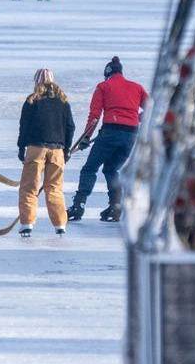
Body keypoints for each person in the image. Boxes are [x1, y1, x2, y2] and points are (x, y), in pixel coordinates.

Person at [69, 57, 148, 223]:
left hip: (110, 132)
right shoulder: (137, 87)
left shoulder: (103, 86)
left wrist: (86, 138)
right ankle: (116, 206)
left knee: (90, 168)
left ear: (107, 73)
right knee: (112, 170)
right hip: (131, 135)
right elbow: (152, 108)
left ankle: (78, 205)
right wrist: (135, 117)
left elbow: (94, 116)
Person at [15, 69, 77, 237]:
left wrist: (21, 148)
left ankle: (27, 223)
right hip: (57, 150)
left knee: (29, 188)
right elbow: (70, 127)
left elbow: (24, 126)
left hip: (36, 149)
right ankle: (60, 225)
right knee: (55, 188)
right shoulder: (63, 101)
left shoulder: (32, 100)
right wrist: (66, 149)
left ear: (37, 82)